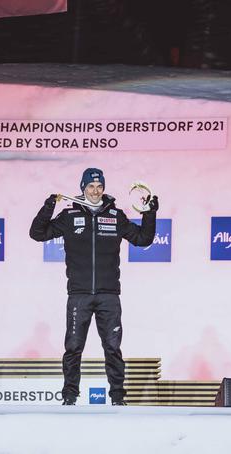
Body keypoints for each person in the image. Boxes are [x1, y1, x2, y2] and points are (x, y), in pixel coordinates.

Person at [30, 168, 158, 405]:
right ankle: (69, 397)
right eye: (90, 186)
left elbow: (143, 239)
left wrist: (150, 213)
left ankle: (118, 398)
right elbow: (37, 233)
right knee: (73, 348)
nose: (96, 191)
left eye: (99, 186)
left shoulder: (116, 216)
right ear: (83, 188)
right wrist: (49, 206)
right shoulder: (69, 216)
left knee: (112, 348)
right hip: (79, 295)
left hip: (109, 295)